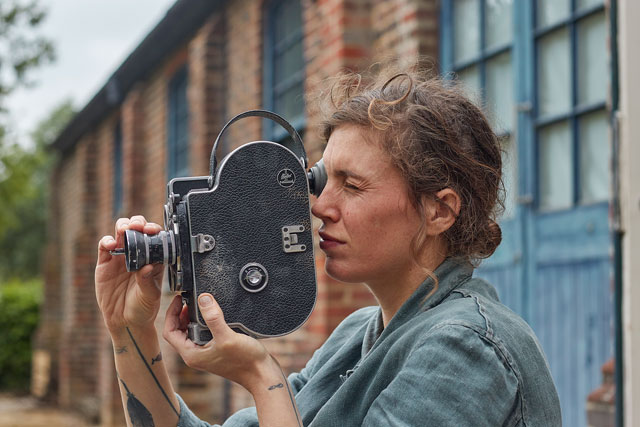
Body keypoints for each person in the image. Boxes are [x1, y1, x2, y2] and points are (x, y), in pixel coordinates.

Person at [95, 65, 562, 427]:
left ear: (439, 211)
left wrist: (262, 377)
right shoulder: (359, 333)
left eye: (352, 186)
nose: (318, 206)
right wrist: (129, 327)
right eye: (319, 180)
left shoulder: (465, 348)